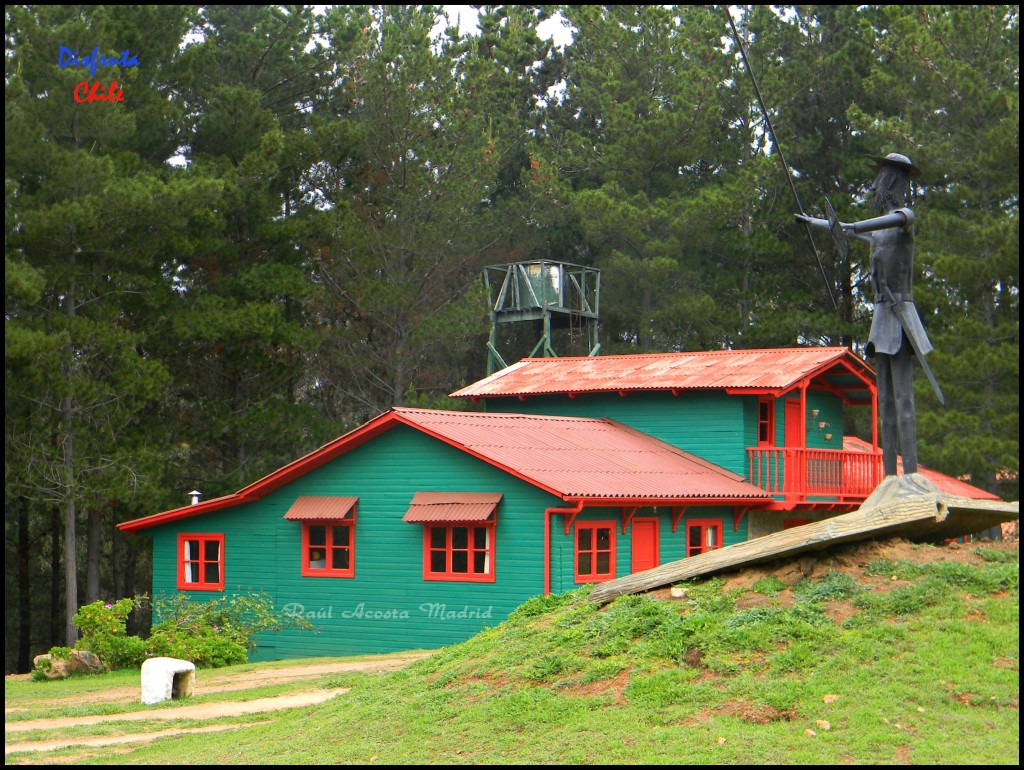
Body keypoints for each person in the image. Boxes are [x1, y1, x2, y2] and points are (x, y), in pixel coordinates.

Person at [796, 152, 935, 477]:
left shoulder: (904, 219)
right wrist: (812, 222)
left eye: (881, 180)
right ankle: (889, 478)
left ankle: (911, 476)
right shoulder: (879, 231)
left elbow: (864, 225)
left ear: (893, 182)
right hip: (882, 317)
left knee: (904, 402)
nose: (876, 187)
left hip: (901, 316)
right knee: (884, 402)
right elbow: (846, 231)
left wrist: (851, 225)